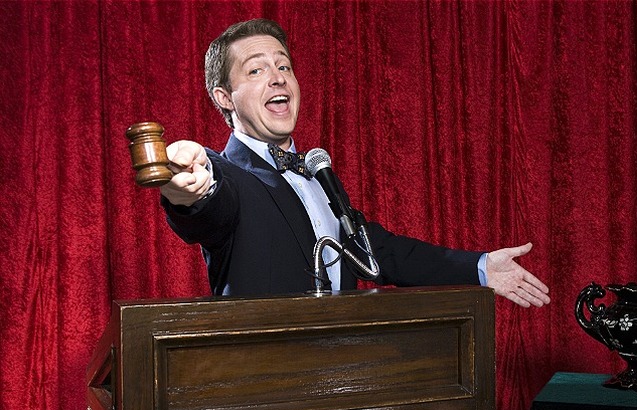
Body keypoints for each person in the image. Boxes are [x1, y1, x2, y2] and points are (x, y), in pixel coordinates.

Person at [159, 18, 550, 308]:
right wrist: (191, 186)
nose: (278, 78)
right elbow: (209, 202)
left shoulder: (316, 174)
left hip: (343, 378)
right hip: (268, 388)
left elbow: (377, 252)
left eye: (284, 66)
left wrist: (480, 267)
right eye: (256, 70)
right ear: (225, 97)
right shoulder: (226, 173)